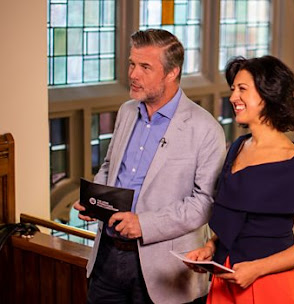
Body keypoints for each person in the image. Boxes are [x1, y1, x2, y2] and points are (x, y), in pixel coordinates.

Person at [73, 29, 226, 304]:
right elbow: (110, 167)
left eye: (145, 67)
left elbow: (205, 203)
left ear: (171, 73)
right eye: (132, 64)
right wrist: (94, 201)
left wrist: (144, 224)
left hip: (165, 270)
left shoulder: (205, 128)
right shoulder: (126, 111)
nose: (133, 74)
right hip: (107, 257)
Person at [184, 55, 294, 303]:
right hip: (225, 278)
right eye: (233, 89)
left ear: (268, 95)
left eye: (242, 89)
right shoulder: (238, 147)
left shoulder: (293, 162)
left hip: (269, 284)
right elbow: (233, 216)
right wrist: (211, 248)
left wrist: (257, 268)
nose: (233, 98)